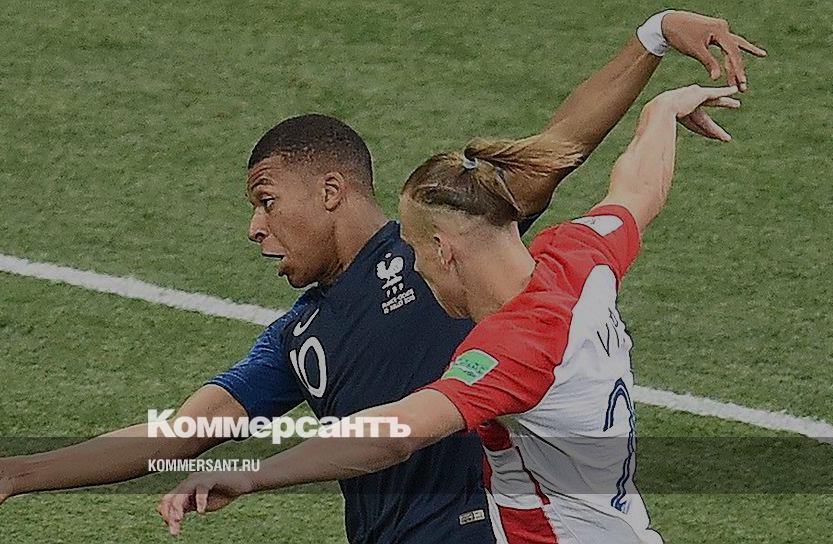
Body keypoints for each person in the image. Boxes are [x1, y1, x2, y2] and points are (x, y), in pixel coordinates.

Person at [0, 11, 764, 544]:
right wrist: (22, 473)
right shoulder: (302, 339)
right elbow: (178, 432)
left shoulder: (460, 257)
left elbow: (560, 146)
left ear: (332, 191)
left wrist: (259, 474)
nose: (254, 227)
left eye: (265, 199)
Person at [157, 83, 743, 543]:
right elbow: (637, 191)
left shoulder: (517, 348)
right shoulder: (577, 257)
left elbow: (392, 435)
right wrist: (662, 111)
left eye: (413, 251)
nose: (411, 267)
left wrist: (255, 475)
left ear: (444, 249)